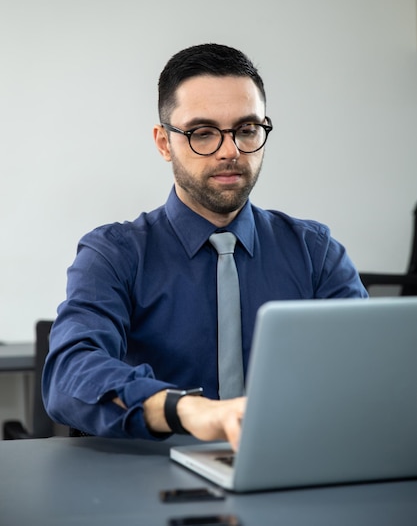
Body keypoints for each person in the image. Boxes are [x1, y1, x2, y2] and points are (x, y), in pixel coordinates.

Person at [42, 43, 367, 451]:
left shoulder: (315, 252)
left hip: (288, 468)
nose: (230, 151)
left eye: (246, 130)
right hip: (150, 483)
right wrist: (191, 412)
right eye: (203, 133)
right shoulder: (114, 253)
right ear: (164, 143)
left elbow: (369, 370)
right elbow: (69, 374)